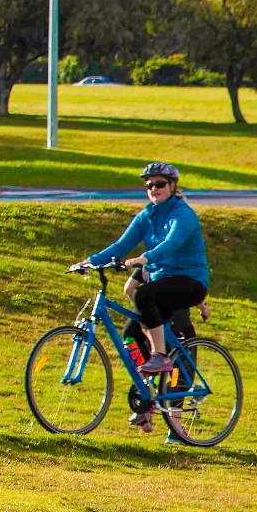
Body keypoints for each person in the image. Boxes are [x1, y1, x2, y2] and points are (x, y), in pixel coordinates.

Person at [68, 163, 209, 421]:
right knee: (131, 333)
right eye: (148, 185)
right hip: (162, 283)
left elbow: (172, 243)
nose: (153, 189)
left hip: (189, 281)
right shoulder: (147, 216)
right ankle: (147, 395)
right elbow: (121, 245)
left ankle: (160, 356)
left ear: (172, 186)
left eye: (159, 184)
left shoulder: (184, 214)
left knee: (144, 295)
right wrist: (89, 262)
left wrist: (143, 259)